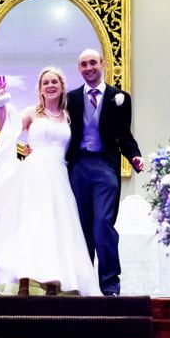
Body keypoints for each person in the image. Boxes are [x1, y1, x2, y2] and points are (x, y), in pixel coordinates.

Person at [0, 67, 101, 297]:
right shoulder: (31, 113)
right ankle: (24, 280)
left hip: (59, 175)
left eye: (54, 82)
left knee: (56, 227)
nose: (50, 86)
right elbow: (6, 130)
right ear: (40, 89)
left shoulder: (68, 116)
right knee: (31, 224)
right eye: (45, 82)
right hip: (34, 173)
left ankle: (54, 283)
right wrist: (1, 104)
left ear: (61, 87)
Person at [66, 49, 144, 297]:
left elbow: (125, 135)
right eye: (83, 64)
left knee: (103, 224)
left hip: (105, 167)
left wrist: (135, 156)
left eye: (92, 63)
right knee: (82, 227)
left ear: (103, 65)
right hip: (78, 167)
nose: (88, 68)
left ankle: (110, 286)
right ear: (79, 69)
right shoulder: (72, 99)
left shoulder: (120, 97)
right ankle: (83, 284)